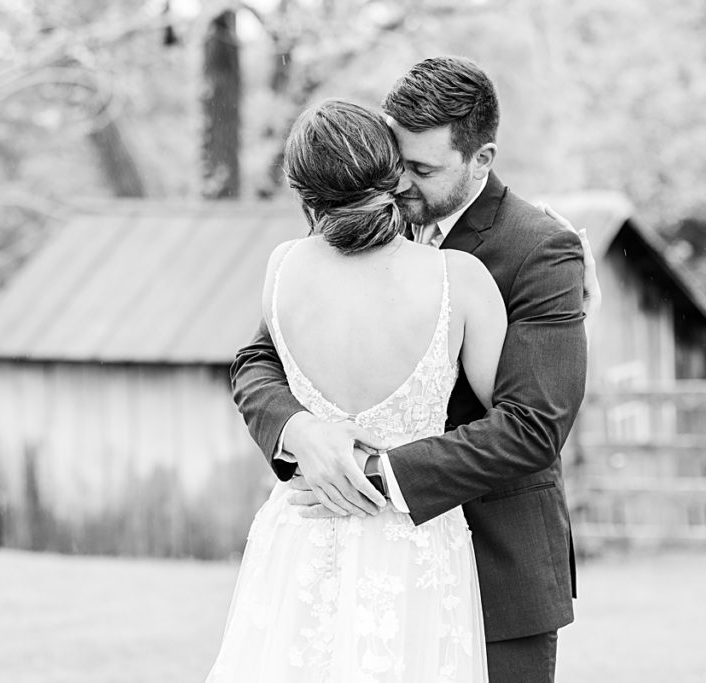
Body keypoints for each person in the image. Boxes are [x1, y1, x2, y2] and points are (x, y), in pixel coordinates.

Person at [230, 56, 593, 683]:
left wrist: (374, 473)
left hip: (494, 564)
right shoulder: (325, 248)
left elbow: (535, 425)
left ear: (481, 159)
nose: (399, 189)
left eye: (423, 171)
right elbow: (258, 358)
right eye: (396, 165)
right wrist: (299, 431)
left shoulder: (541, 248)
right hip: (339, 562)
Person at [207, 98, 507, 682]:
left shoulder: (282, 267)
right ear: (392, 173)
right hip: (414, 540)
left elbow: (256, 363)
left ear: (303, 192)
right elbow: (513, 414)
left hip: (301, 529)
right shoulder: (459, 279)